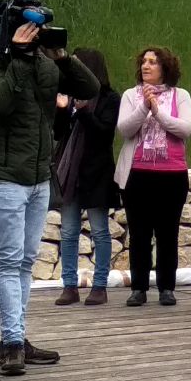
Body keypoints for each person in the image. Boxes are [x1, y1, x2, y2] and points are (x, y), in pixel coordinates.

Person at [0, 23, 98, 376]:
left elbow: (89, 88)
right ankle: (13, 342)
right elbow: (0, 101)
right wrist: (17, 57)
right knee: (8, 260)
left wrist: (62, 56)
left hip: (38, 177)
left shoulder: (46, 65)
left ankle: (14, 339)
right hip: (4, 176)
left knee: (26, 261)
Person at [116, 47, 191, 308]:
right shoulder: (130, 95)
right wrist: (144, 107)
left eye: (153, 62)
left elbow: (185, 129)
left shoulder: (180, 95)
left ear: (165, 68)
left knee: (167, 233)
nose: (146, 66)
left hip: (171, 174)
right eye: (144, 62)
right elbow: (124, 129)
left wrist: (158, 112)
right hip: (137, 173)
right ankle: (138, 288)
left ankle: (166, 288)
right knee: (139, 233)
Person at [52, 48, 120, 307]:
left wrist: (83, 112)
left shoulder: (110, 98)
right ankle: (69, 285)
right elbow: (59, 134)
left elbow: (104, 134)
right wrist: (61, 111)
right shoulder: (67, 95)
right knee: (68, 231)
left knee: (100, 231)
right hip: (70, 174)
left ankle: (99, 286)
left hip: (97, 173)